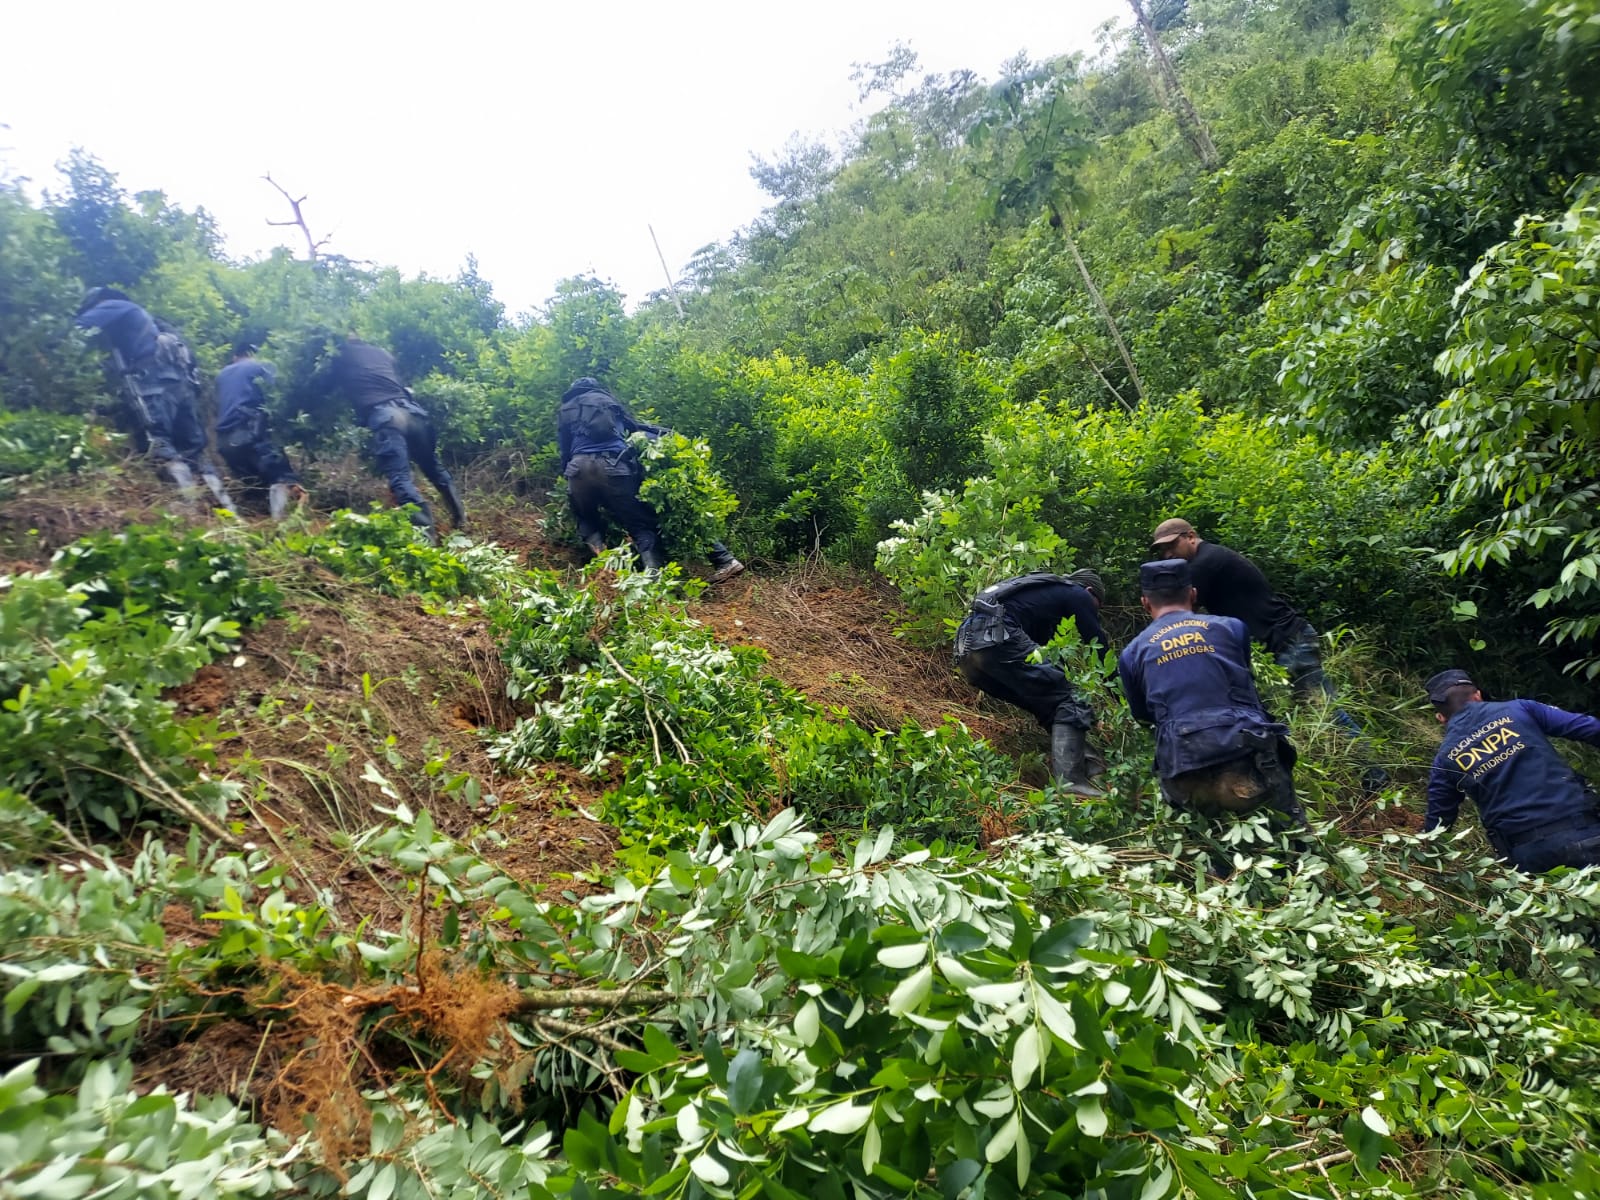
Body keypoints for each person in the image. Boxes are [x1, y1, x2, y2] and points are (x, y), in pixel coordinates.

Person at [1118, 559, 1306, 826]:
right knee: (1287, 835)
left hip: (1184, 761)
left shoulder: (1131, 654)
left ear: (1145, 603)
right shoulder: (1231, 627)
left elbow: (1143, 716)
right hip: (1244, 747)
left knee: (1210, 851)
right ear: (1193, 594)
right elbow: (1244, 678)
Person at [557, 377, 744, 581]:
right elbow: (632, 430)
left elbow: (565, 450)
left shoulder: (566, 409)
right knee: (641, 525)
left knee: (586, 518)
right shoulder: (609, 403)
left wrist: (570, 475)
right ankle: (654, 579)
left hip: (577, 470)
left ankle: (605, 569)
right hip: (615, 467)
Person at [1423, 669, 1600, 872]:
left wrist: (1426, 854)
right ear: (1477, 695)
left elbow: (1438, 821)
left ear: (1441, 718)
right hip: (1585, 830)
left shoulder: (1444, 758)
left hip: (1531, 854)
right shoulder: (1520, 709)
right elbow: (1592, 729)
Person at [953, 567, 1108, 795]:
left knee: (1050, 703)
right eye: (1096, 606)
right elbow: (1098, 643)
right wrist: (1119, 689)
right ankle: (1071, 783)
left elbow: (1044, 664)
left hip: (968, 653)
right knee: (1070, 698)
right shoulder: (1077, 592)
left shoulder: (1036, 599)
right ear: (1089, 591)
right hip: (998, 639)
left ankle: (1093, 768)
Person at [74, 288, 232, 508]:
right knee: (194, 451)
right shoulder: (152, 325)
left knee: (158, 442)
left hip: (153, 385)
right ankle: (228, 512)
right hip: (181, 387)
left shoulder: (114, 305)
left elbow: (76, 328)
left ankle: (190, 509)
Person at [1149, 517, 1330, 700]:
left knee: (1324, 708)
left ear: (1191, 536)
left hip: (1287, 641)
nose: (1168, 554)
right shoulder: (1211, 556)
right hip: (1283, 640)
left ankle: (1352, 730)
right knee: (1302, 711)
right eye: (1163, 550)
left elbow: (1176, 617)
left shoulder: (1204, 564)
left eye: (1172, 545)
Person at [316, 336, 465, 541]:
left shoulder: (340, 356)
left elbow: (323, 387)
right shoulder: (382, 353)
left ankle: (427, 541)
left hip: (387, 417)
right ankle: (460, 518)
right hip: (414, 414)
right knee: (434, 468)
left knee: (400, 479)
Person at [214, 342, 301, 519]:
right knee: (282, 477)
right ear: (253, 353)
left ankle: (251, 525)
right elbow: (277, 396)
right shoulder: (261, 366)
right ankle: (283, 527)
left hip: (225, 442)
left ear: (235, 356)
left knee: (254, 486)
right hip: (252, 434)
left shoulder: (222, 374)